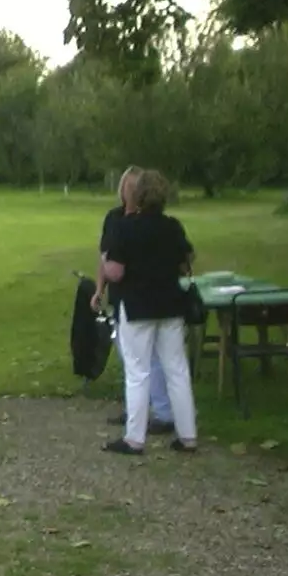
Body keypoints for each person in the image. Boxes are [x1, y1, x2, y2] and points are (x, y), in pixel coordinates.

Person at [101, 169, 200, 455]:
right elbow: (186, 261)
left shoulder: (125, 228)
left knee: (137, 371)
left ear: (138, 195)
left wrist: (107, 269)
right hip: (170, 305)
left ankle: (134, 437)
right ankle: (188, 435)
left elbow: (116, 272)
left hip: (137, 306)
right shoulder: (173, 227)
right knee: (176, 369)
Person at [93, 165, 174, 435]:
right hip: (122, 298)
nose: (130, 191)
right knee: (128, 357)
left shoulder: (144, 223)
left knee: (151, 359)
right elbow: (104, 257)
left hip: (142, 297)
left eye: (134, 187)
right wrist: (99, 288)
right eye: (127, 186)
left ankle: (161, 412)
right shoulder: (114, 219)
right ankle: (136, 409)